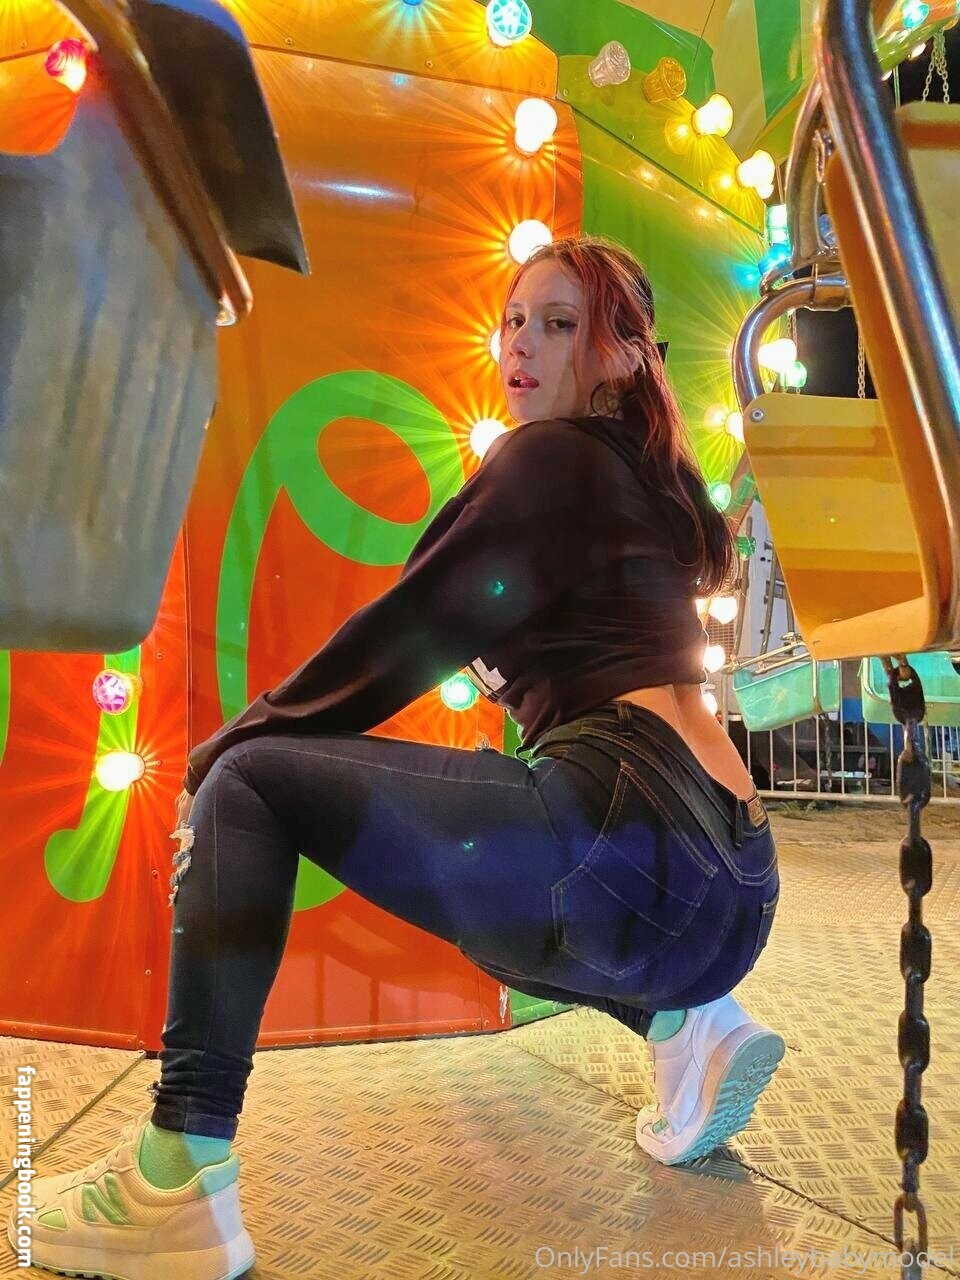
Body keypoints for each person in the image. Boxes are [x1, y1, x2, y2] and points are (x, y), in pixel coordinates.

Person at [6, 235, 783, 1280]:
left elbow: (407, 632)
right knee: (489, 908)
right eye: (515, 321)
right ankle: (689, 1020)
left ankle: (174, 1171)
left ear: (622, 356)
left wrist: (230, 745)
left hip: (624, 825)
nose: (522, 344)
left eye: (561, 324)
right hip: (735, 876)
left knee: (250, 782)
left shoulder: (551, 457)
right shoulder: (650, 480)